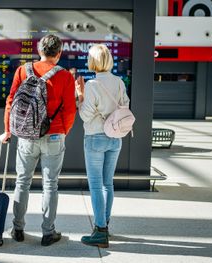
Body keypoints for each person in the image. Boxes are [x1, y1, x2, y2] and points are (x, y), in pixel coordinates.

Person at [0, 34, 76, 246]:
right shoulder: (65, 77)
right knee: (50, 185)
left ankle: (17, 229)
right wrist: (62, 132)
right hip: (54, 136)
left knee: (22, 182)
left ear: (39, 50)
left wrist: (8, 130)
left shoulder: (23, 70)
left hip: (25, 136)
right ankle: (48, 233)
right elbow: (70, 111)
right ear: (58, 53)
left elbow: (11, 101)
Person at [75, 44, 130, 248]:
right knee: (108, 183)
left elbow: (85, 115)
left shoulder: (92, 85)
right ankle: (104, 224)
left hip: (95, 138)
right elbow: (125, 105)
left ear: (93, 61)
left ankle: (100, 231)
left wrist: (80, 96)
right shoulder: (119, 82)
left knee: (96, 185)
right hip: (115, 138)